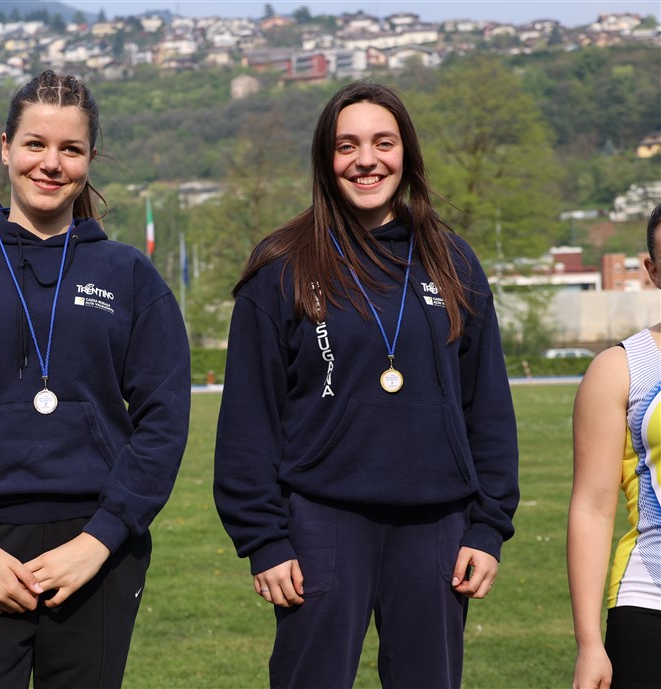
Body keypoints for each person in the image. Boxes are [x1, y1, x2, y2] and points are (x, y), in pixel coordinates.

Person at [0, 70, 191, 689]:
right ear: (6, 148)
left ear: (90, 158)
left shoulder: (130, 274)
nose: (51, 163)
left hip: (96, 551)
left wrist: (100, 541)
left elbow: (163, 425)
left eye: (70, 148)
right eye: (35, 144)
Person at [212, 81, 520, 689]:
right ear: (325, 159)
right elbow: (249, 417)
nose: (366, 160)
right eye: (347, 145)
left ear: (407, 154)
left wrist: (488, 527)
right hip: (322, 521)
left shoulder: (453, 261)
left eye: (383, 142)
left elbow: (486, 406)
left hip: (437, 525)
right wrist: (264, 539)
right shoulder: (282, 264)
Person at [568, 203, 661, 689]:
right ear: (653, 270)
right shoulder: (622, 368)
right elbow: (592, 507)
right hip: (649, 603)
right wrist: (589, 643)